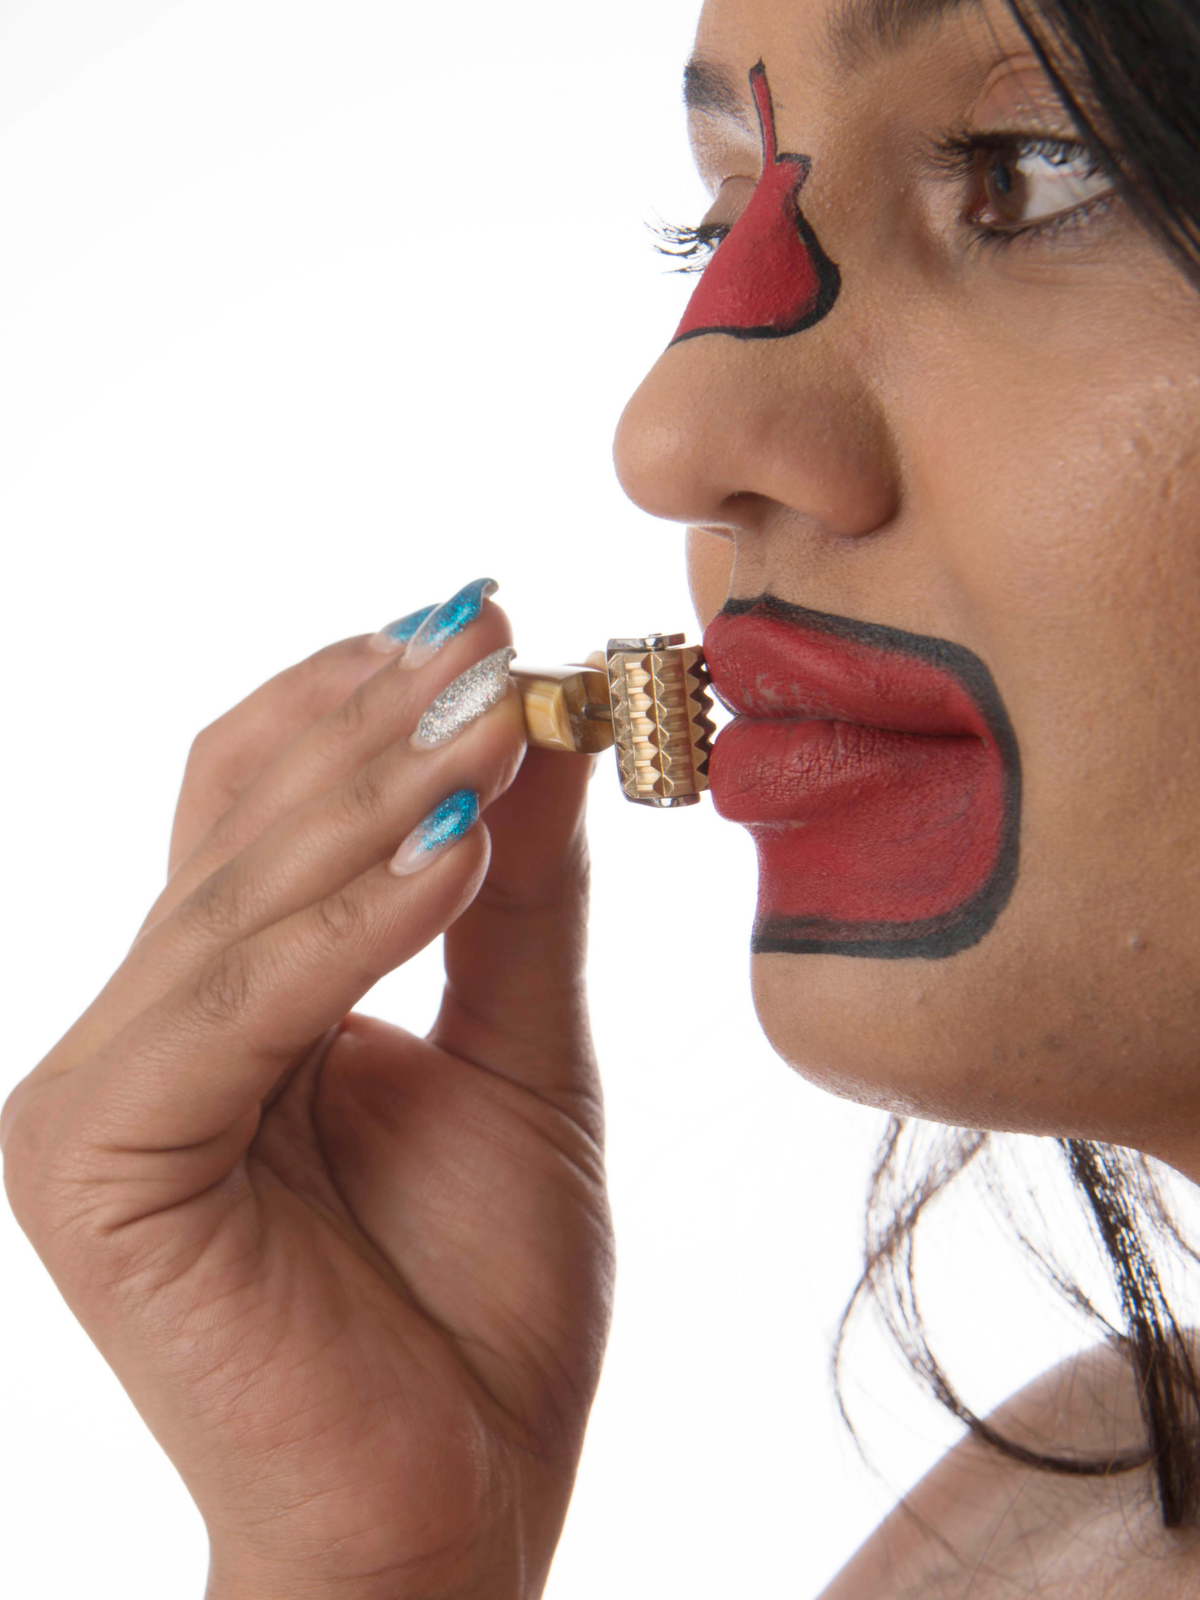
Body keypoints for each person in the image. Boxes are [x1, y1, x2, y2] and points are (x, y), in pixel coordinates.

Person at [6, 0, 1200, 1593]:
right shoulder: (1052, 1539)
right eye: (718, 219)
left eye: (1030, 166)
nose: (671, 439)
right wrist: (368, 1561)